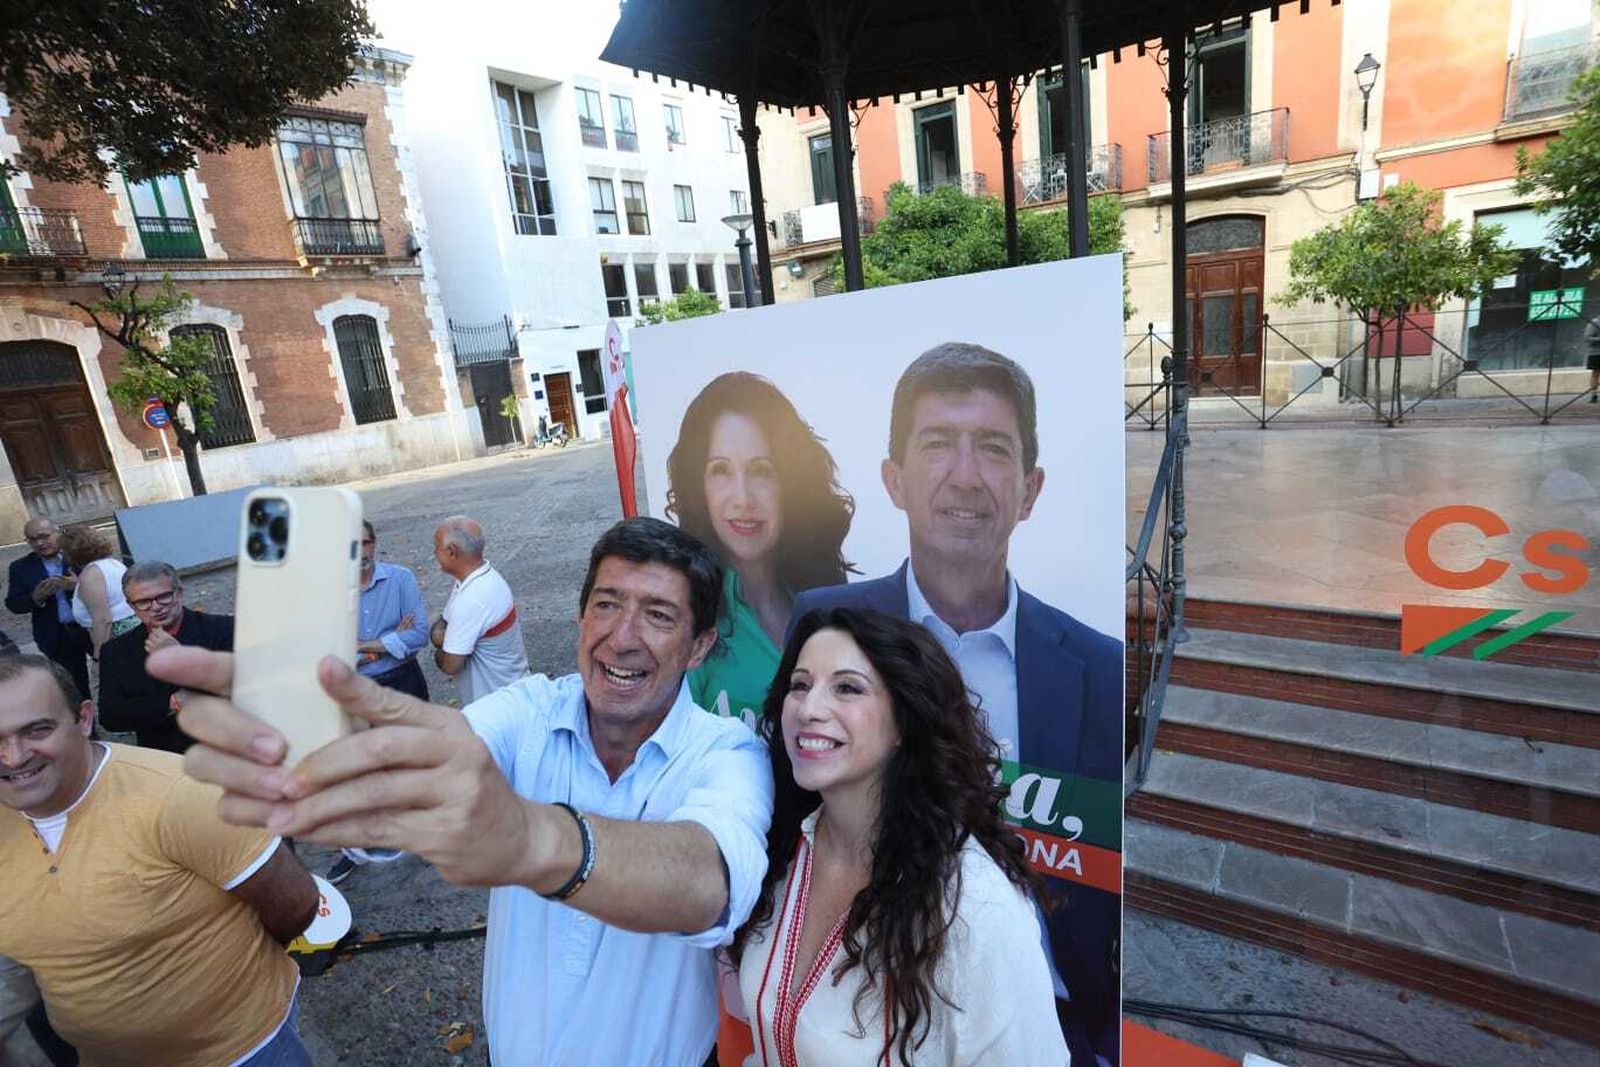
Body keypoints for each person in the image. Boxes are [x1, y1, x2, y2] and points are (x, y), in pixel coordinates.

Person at [152, 517, 775, 1066]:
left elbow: (711, 883)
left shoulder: (729, 754)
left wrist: (535, 839)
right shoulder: (529, 710)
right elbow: (443, 753)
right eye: (607, 604)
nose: (623, 636)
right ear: (581, 617)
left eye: (659, 615)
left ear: (699, 647)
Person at [792, 342, 1122, 1064]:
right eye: (938, 444)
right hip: (856, 1020)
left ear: (1030, 490)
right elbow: (788, 825)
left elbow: (1109, 877)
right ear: (894, 479)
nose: (965, 475)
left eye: (993, 449)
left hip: (1050, 1029)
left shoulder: (1100, 670)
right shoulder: (825, 630)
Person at [728, 607, 1067, 1065]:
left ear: (905, 721)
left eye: (847, 688)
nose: (809, 709)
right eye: (800, 685)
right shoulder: (779, 847)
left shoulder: (974, 904)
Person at [0, 655, 318, 1066]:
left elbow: (295, 902)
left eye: (37, 730)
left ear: (83, 719)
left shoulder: (180, 794)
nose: (13, 757)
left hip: (246, 1051)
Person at [666, 372, 855, 730]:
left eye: (761, 471)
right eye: (721, 470)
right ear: (698, 487)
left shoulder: (826, 602)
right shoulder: (685, 618)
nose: (743, 498)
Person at [326, 519, 430, 885]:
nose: (361, 552)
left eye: (365, 542)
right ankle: (355, 848)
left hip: (403, 682)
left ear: (374, 542)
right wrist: (384, 646)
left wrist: (358, 647)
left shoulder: (400, 579)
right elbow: (330, 653)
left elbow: (419, 635)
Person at [98, 561, 234, 753]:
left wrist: (182, 659)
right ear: (131, 606)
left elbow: (240, 688)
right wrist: (172, 703)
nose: (156, 607)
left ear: (179, 593)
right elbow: (111, 717)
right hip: (162, 756)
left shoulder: (225, 629)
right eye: (143, 602)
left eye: (163, 597)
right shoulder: (116, 651)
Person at [429, 515, 528, 703]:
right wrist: (444, 637)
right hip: (506, 695)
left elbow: (451, 665)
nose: (434, 553)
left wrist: (439, 652)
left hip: (499, 705)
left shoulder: (472, 598)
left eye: (436, 546)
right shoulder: (474, 578)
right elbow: (444, 623)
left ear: (452, 551)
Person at [5, 519, 89, 701]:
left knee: (114, 673)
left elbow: (108, 586)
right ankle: (84, 718)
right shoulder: (20, 567)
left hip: (90, 627)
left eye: (44, 536)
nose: (40, 543)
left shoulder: (79, 556)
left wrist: (79, 586)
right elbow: (13, 603)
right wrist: (35, 598)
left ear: (57, 532)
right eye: (32, 540)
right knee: (73, 687)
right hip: (56, 635)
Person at [55, 526, 135, 658]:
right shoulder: (114, 563)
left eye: (63, 551)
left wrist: (98, 657)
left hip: (117, 641)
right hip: (132, 632)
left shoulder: (90, 574)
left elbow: (103, 620)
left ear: (72, 552)